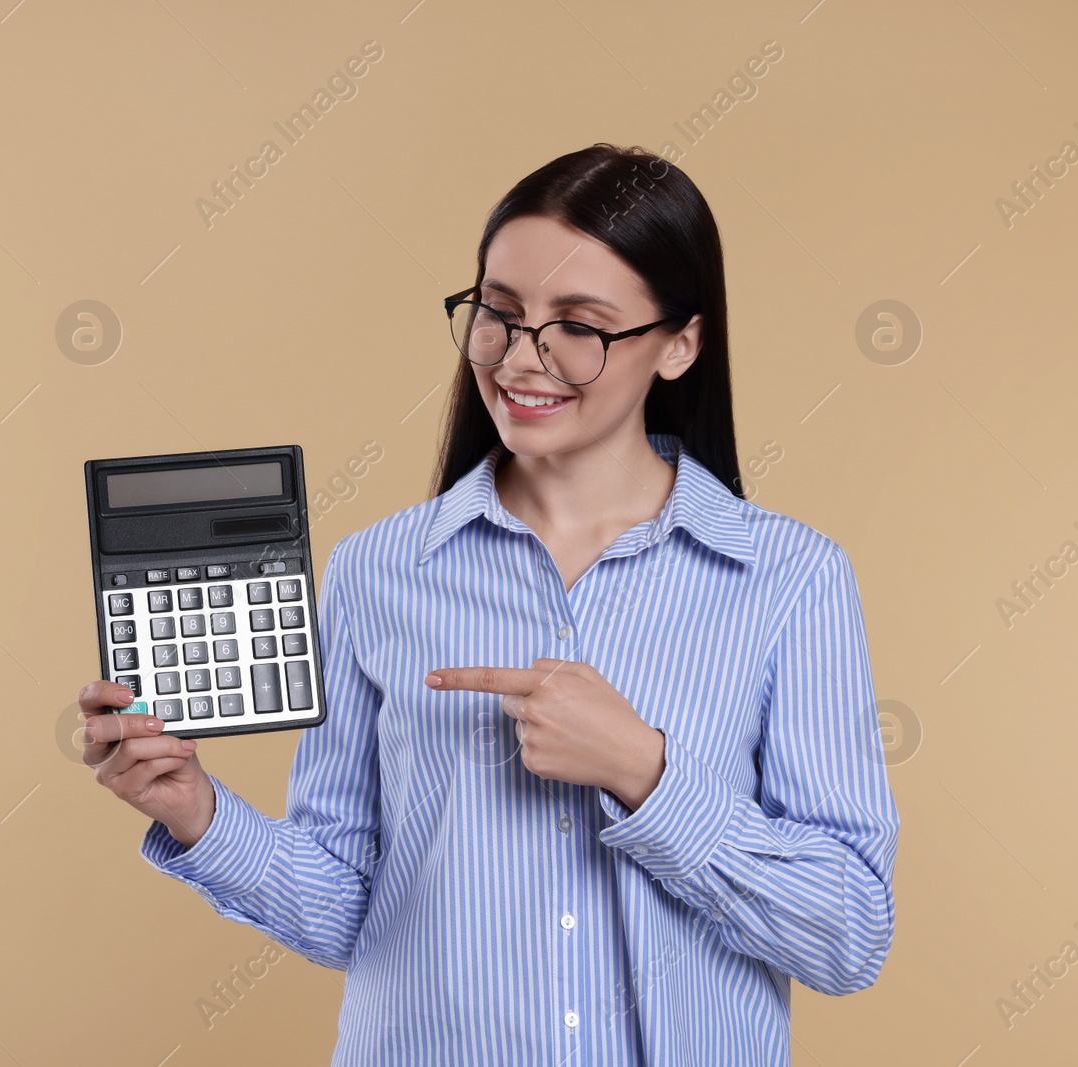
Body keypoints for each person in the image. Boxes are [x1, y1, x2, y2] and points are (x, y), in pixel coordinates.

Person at [76, 143, 899, 1065]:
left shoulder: (791, 579)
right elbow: (353, 912)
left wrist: (647, 773)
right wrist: (196, 809)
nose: (520, 358)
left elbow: (847, 935)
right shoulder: (376, 571)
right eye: (498, 315)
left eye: (579, 326)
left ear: (679, 343)